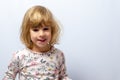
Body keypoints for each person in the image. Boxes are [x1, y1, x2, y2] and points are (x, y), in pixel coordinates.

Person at [3, 5, 72, 80]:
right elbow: (9, 76)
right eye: (36, 30)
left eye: (45, 29)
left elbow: (63, 76)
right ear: (28, 32)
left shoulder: (58, 55)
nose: (41, 34)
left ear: (52, 30)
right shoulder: (20, 56)